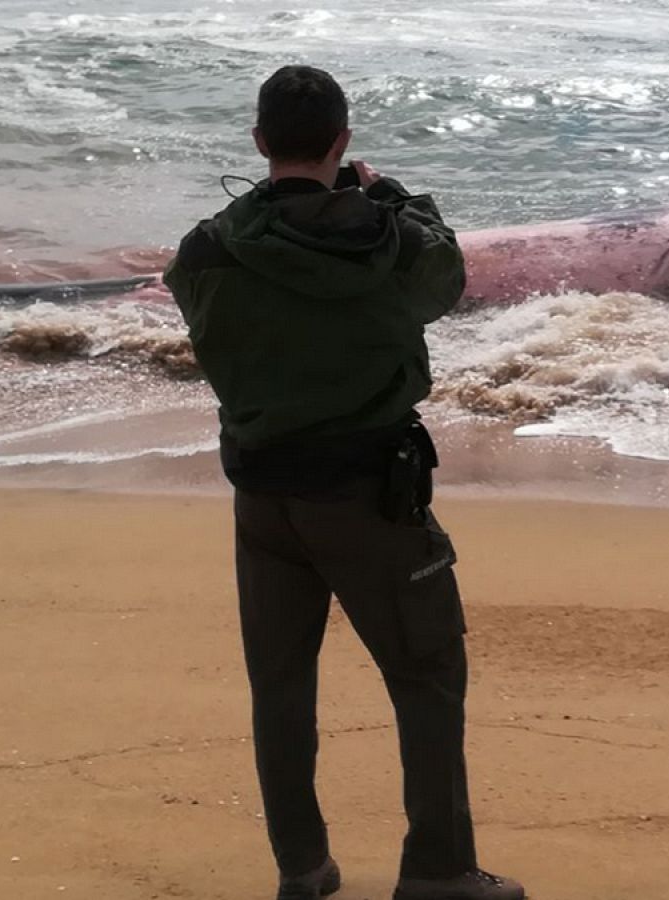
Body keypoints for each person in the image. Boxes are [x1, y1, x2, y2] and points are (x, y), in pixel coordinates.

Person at [161, 64, 524, 900]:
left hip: (264, 498)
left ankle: (303, 867)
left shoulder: (210, 246)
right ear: (343, 142)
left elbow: (201, 309)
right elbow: (446, 285)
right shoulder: (391, 239)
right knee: (426, 674)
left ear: (259, 143)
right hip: (370, 496)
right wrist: (396, 197)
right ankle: (437, 869)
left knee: (280, 688)